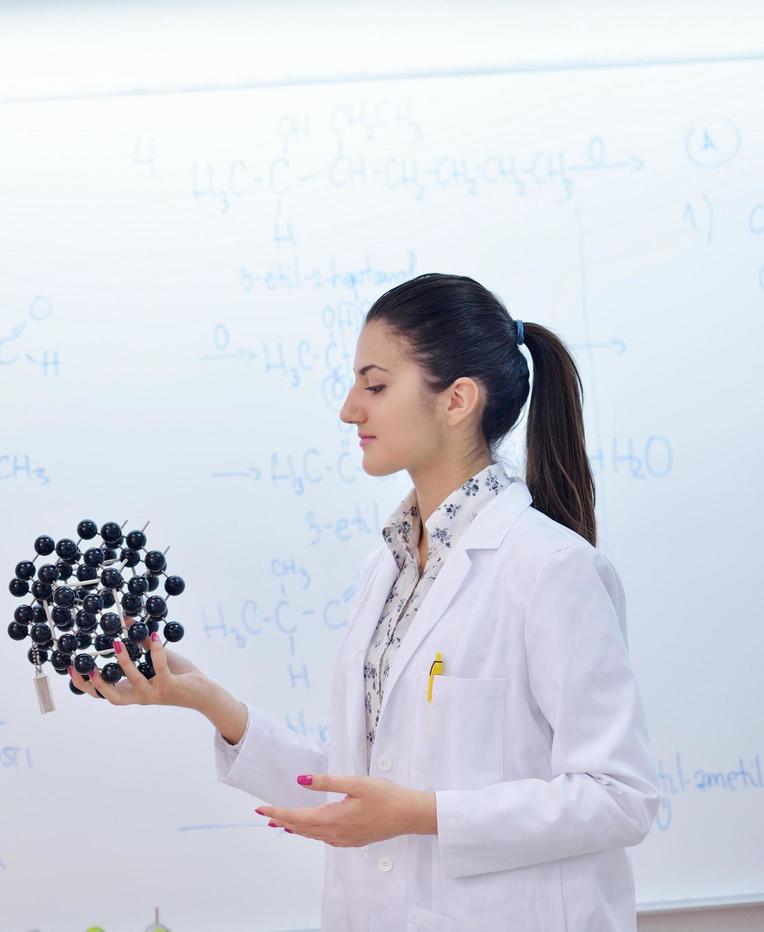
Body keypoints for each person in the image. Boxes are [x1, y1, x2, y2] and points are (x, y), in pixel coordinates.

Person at [71, 274, 659, 931]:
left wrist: (419, 813)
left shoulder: (550, 568)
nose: (351, 409)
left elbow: (620, 798)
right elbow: (369, 783)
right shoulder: (387, 571)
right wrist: (209, 700)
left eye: (375, 385)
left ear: (457, 400)